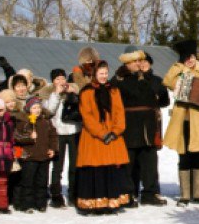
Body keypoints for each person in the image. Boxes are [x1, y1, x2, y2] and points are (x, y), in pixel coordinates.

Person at [163, 40, 199, 207]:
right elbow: (168, 81)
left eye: (192, 56)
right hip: (183, 121)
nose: (190, 60)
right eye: (187, 57)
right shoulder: (179, 71)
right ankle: (185, 195)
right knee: (184, 156)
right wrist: (180, 65)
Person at [113, 47, 170, 207]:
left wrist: (148, 77)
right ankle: (128, 193)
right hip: (129, 125)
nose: (139, 63)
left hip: (148, 126)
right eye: (135, 61)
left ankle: (150, 193)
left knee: (149, 161)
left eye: (140, 60)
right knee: (129, 161)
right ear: (128, 62)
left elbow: (164, 100)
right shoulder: (119, 79)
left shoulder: (151, 78)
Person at [74, 60, 130, 213]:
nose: (104, 76)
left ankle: (111, 201)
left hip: (113, 135)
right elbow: (87, 116)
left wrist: (116, 131)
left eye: (106, 73)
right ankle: (94, 203)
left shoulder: (114, 91)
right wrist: (102, 133)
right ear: (94, 74)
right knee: (95, 169)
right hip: (94, 137)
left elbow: (119, 112)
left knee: (111, 169)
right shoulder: (86, 92)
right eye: (101, 73)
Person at [13, 97, 58, 213]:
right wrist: (29, 137)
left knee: (42, 182)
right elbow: (17, 137)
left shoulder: (46, 121)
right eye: (34, 108)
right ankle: (27, 204)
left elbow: (53, 136)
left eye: (39, 107)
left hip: (43, 156)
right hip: (29, 157)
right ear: (29, 109)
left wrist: (53, 149)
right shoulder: (23, 122)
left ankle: (41, 203)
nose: (37, 110)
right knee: (28, 182)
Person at [46, 68, 81, 207]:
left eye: (62, 78)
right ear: (53, 81)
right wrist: (56, 94)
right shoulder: (49, 93)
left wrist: (74, 94)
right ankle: (56, 194)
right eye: (57, 79)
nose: (61, 81)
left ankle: (73, 193)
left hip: (73, 131)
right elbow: (49, 111)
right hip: (58, 132)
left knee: (74, 165)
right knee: (57, 166)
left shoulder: (73, 90)